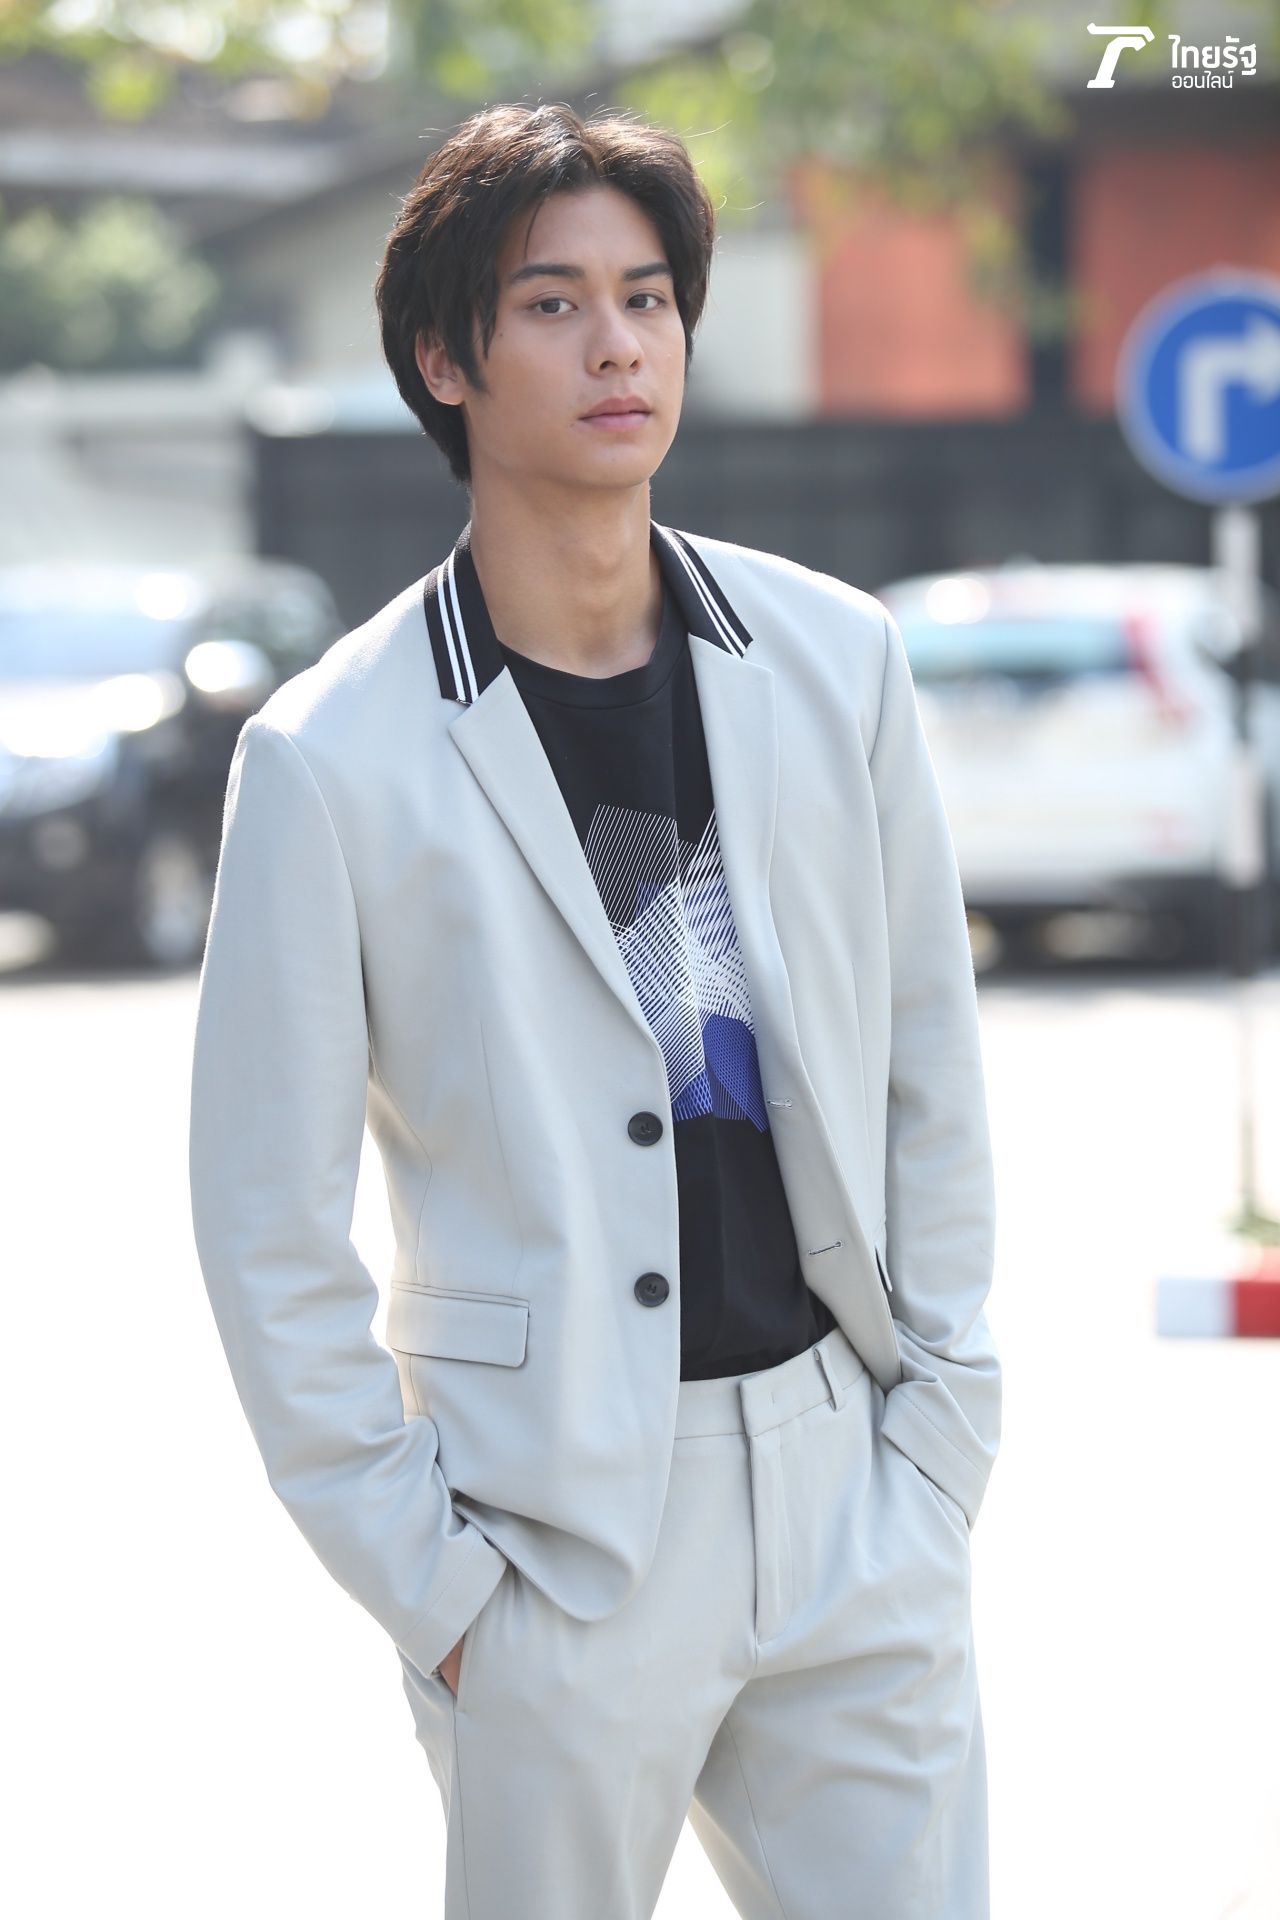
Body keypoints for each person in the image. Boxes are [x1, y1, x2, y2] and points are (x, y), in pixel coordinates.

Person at [188, 98, 1002, 1920]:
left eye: (646, 297)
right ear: (444, 358)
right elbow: (266, 1227)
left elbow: (931, 1070)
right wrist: (437, 1593)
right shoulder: (333, 757)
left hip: (850, 1495)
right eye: (551, 304)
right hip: (551, 1542)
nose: (618, 344)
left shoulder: (836, 660)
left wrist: (939, 1445)